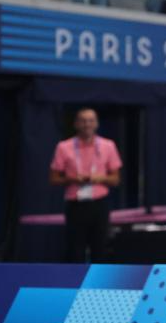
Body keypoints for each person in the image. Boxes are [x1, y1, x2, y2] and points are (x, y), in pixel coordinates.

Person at [49, 108, 122, 263]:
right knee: (74, 249)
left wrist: (100, 178)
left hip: (99, 203)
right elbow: (54, 178)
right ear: (76, 124)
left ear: (96, 123)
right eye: (83, 120)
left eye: (90, 120)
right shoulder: (64, 147)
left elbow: (115, 179)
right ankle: (74, 284)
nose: (87, 124)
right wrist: (73, 179)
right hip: (76, 204)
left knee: (100, 248)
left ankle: (99, 285)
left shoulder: (108, 145)